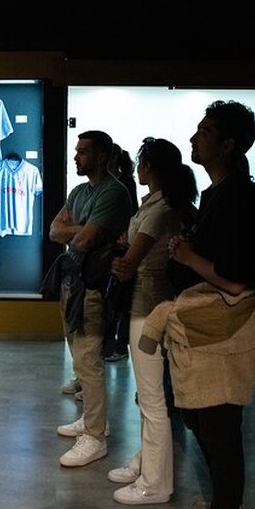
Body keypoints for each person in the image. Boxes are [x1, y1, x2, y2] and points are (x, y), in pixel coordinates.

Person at [164, 100, 255, 509]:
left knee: (218, 424)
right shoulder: (221, 194)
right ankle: (225, 503)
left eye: (205, 132)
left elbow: (238, 276)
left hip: (224, 329)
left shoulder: (241, 198)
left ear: (229, 145)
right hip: (208, 326)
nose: (194, 138)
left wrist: (187, 257)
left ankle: (228, 507)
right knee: (203, 417)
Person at [106, 137, 198, 505]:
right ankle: (146, 462)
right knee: (151, 394)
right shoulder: (161, 205)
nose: (138, 168)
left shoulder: (159, 211)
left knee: (151, 398)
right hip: (153, 301)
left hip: (148, 305)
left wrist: (119, 259)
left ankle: (156, 483)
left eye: (142, 162)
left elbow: (130, 264)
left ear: (150, 168)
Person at [48, 129, 132, 467]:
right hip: (73, 281)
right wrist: (80, 228)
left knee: (88, 359)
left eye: (83, 151)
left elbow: (83, 242)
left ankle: (96, 436)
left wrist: (78, 230)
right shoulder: (79, 191)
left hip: (95, 285)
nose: (76, 156)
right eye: (76, 150)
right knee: (78, 354)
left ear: (101, 155)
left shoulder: (115, 193)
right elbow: (55, 231)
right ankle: (93, 420)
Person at [102, 143, 139, 363]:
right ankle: (112, 344)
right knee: (112, 299)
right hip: (111, 246)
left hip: (120, 246)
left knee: (121, 299)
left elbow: (130, 211)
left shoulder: (124, 182)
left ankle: (120, 345)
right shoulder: (109, 183)